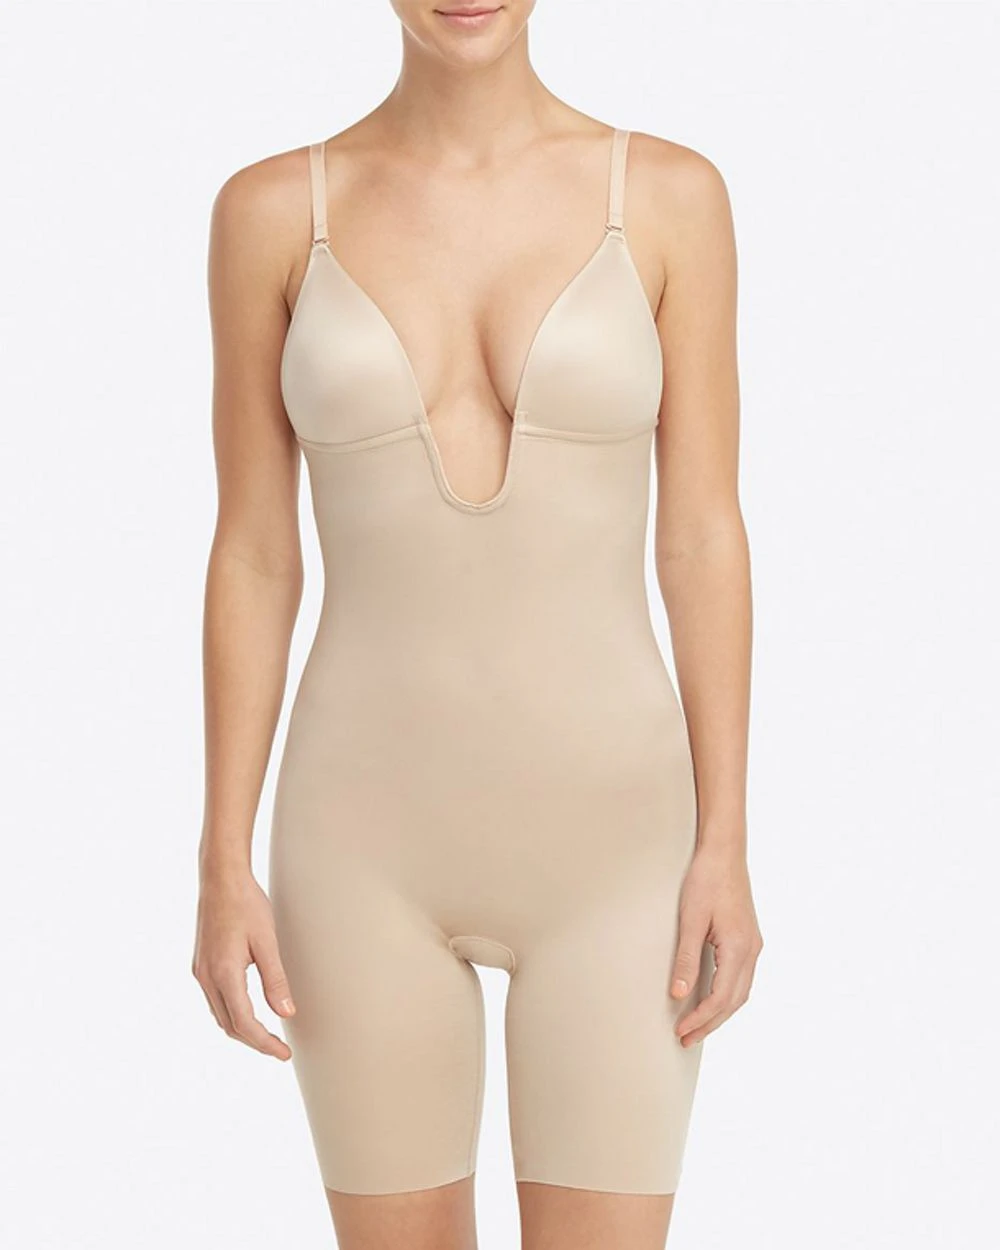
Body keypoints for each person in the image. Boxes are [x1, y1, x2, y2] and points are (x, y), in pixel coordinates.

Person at [192, 2, 763, 1246]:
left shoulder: (669, 197)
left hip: (620, 850)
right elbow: (254, 552)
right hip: (360, 846)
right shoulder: (271, 212)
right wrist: (220, 855)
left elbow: (702, 537)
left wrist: (724, 836)